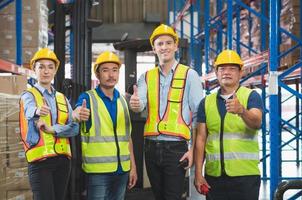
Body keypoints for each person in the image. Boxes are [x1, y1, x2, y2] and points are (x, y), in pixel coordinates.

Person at [129, 24, 203, 200]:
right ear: (154, 49)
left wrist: (192, 149)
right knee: (159, 196)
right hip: (151, 147)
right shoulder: (146, 77)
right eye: (160, 44)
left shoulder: (189, 75)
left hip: (176, 148)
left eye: (168, 43)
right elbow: (139, 106)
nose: (164, 47)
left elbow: (199, 117)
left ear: (175, 46)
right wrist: (135, 103)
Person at [194, 49, 263, 200]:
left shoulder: (251, 96)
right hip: (214, 176)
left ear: (240, 72)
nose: (226, 72)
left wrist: (242, 111)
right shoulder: (206, 102)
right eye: (222, 68)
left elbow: (257, 122)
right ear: (216, 73)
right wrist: (198, 173)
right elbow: (200, 139)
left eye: (232, 68)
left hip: (245, 175)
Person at [73, 51, 137, 200]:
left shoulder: (122, 101)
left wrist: (133, 167)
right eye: (105, 70)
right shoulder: (87, 98)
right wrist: (76, 114)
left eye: (115, 70)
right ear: (98, 74)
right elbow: (76, 112)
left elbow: (128, 138)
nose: (111, 75)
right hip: (98, 173)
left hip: (122, 171)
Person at [19, 48, 79, 200]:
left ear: (55, 70)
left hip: (63, 161)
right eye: (41, 67)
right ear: (34, 69)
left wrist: (54, 130)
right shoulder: (29, 95)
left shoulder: (62, 98)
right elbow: (28, 110)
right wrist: (38, 111)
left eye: (50, 67)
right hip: (40, 162)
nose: (46, 71)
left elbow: (74, 127)